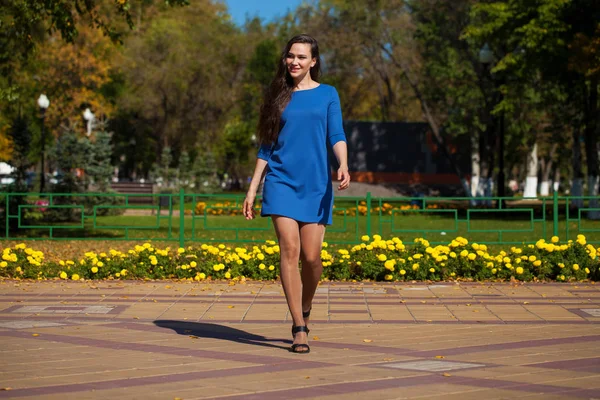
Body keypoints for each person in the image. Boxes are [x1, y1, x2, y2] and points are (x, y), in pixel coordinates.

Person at [243, 34, 350, 354]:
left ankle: (305, 306)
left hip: (316, 184)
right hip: (281, 182)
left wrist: (343, 163)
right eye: (291, 56)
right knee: (289, 249)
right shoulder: (278, 96)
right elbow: (266, 146)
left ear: (313, 62)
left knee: (312, 258)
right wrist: (253, 188)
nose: (294, 61)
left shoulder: (328, 94)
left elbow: (336, 133)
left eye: (302, 57)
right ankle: (299, 326)